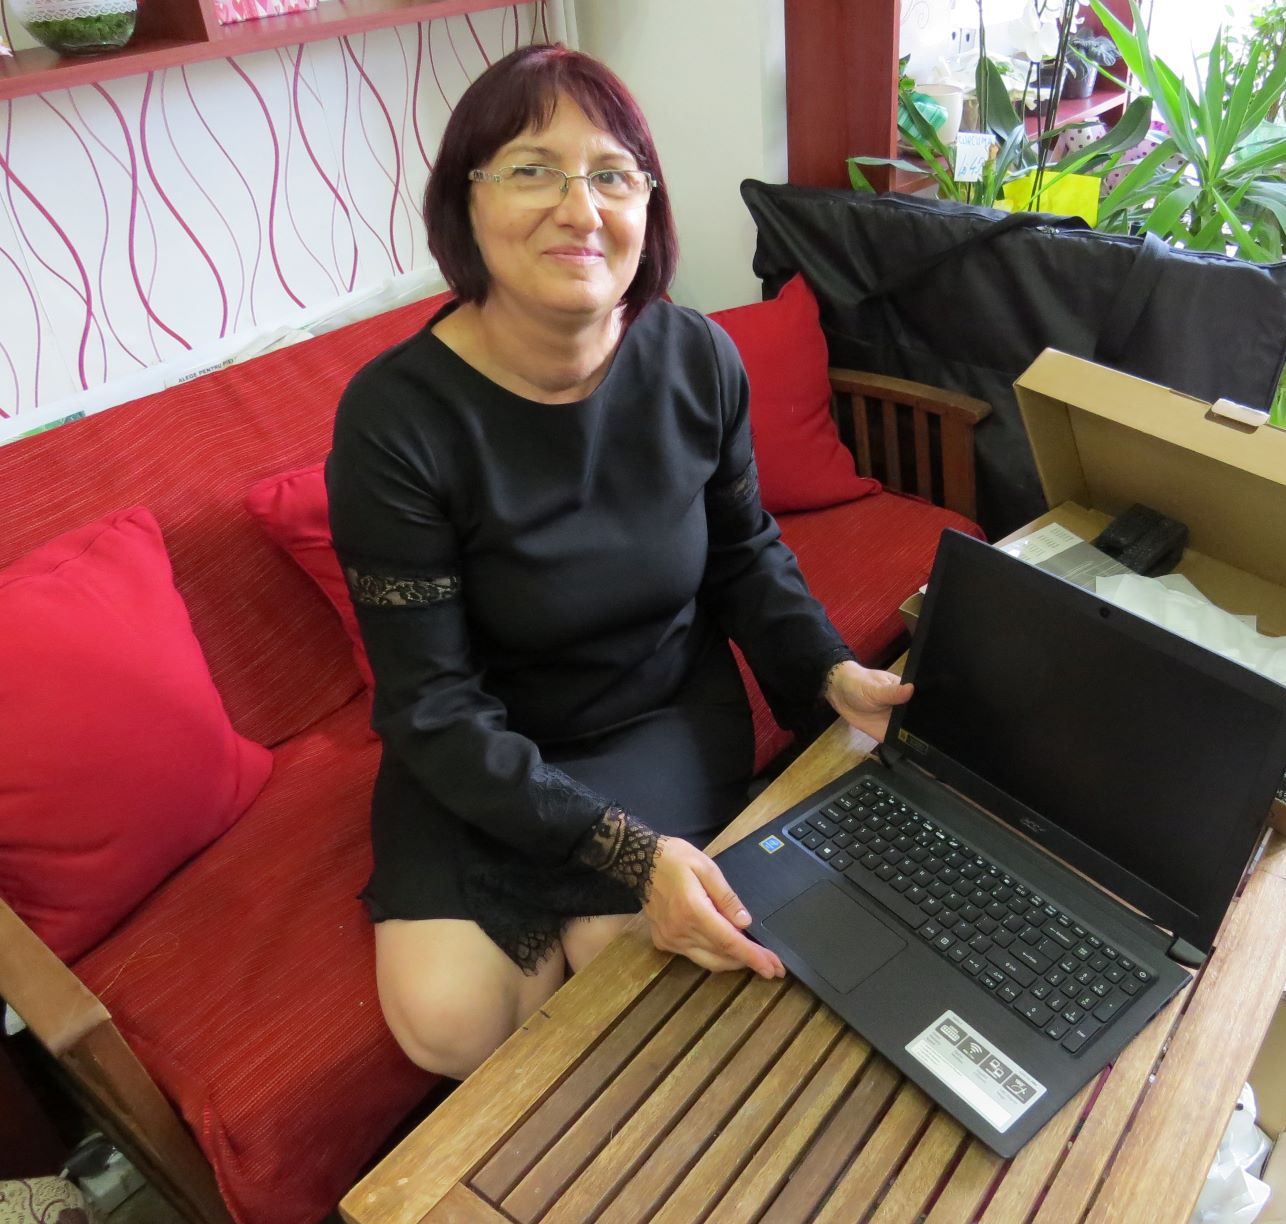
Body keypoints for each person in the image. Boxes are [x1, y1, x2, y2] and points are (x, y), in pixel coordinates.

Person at [326, 44, 912, 1080]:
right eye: (532, 169)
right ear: (464, 202)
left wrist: (830, 674)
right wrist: (630, 853)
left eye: (612, 173)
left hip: (654, 709)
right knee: (451, 1021)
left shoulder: (697, 357)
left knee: (623, 958)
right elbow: (430, 704)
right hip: (481, 739)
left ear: (649, 204)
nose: (579, 207)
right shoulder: (394, 419)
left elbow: (745, 555)